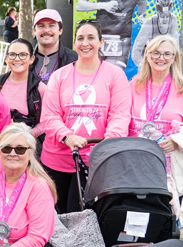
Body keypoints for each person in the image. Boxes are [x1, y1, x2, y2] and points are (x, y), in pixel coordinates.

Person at [39, 20, 131, 213]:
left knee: (86, 219)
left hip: (97, 163)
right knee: (56, 217)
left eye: (91, 38)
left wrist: (107, 145)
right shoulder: (60, 76)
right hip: (58, 161)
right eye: (80, 38)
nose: (85, 43)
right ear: (74, 43)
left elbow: (120, 115)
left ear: (101, 42)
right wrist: (67, 136)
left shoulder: (115, 75)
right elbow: (49, 116)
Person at [129, 35, 183, 147]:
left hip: (170, 156)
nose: (161, 58)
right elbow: (119, 120)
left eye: (167, 54)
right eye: (156, 53)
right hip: (134, 153)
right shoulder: (134, 85)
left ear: (174, 58)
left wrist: (178, 142)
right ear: (147, 56)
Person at [0, 38, 48, 146]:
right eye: (12, 54)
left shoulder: (40, 89)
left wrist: (27, 135)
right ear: (6, 58)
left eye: (23, 55)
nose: (17, 59)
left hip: (26, 146)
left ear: (31, 59)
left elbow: (46, 120)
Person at [131, 0, 179, 69]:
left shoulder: (173, 19)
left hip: (165, 62)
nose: (165, 19)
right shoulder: (150, 22)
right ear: (158, 13)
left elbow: (175, 47)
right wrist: (143, 66)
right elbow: (136, 50)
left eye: (167, 16)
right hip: (151, 61)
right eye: (162, 16)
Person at [31, 9, 77, 84]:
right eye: (41, 26)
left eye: (51, 25)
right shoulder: (25, 59)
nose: (46, 30)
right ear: (34, 31)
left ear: (60, 30)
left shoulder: (74, 59)